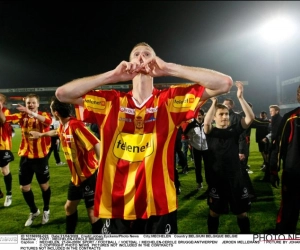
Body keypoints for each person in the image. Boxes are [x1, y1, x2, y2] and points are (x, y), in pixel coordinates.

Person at [56, 42, 233, 234]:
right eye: (136, 55)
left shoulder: (171, 100)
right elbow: (63, 94)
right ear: (128, 64)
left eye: (147, 54)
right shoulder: (110, 102)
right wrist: (113, 76)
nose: (141, 58)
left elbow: (224, 83)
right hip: (116, 205)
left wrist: (168, 68)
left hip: (159, 203)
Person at [30, 97, 103, 234]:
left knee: (92, 211)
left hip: (88, 175)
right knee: (69, 207)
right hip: (76, 178)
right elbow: (55, 132)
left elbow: (96, 143)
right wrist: (41, 134)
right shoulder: (64, 126)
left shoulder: (76, 125)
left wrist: (102, 170)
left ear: (56, 112)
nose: (51, 112)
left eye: (51, 110)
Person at [204, 81, 254, 234]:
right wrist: (214, 103)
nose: (225, 116)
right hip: (217, 179)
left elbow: (250, 118)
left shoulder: (234, 131)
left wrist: (240, 97)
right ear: (214, 117)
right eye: (221, 114)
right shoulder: (211, 132)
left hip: (235, 179)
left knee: (242, 213)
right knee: (214, 212)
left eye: (226, 114)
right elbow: (206, 123)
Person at [6, 93, 52, 226]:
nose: (30, 105)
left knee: (44, 186)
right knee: (24, 187)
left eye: (33, 103)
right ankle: (34, 211)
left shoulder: (44, 115)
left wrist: (31, 113)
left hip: (40, 158)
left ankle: (46, 209)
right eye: (28, 103)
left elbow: (48, 122)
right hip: (25, 157)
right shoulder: (22, 116)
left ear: (38, 104)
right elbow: (5, 118)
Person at [274, 84, 300, 234]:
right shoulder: (290, 117)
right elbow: (278, 145)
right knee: (289, 209)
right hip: (293, 174)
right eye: (298, 92)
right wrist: (273, 169)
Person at [184, 108, 210, 191]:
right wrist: (190, 143)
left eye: (200, 115)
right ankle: (199, 183)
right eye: (197, 115)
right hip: (196, 149)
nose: (198, 117)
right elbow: (185, 135)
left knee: (208, 167)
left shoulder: (207, 123)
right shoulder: (191, 125)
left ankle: (210, 183)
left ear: (203, 115)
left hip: (207, 149)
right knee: (197, 167)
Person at [0, 93, 14, 207]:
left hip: (3, 145)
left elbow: (2, 120)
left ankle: (9, 195)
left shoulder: (5, 111)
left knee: (5, 171)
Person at [262, 105, 282, 183]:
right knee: (269, 160)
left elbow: (277, 132)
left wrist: (271, 139)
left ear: (277, 111)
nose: (270, 112)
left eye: (272, 111)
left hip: (276, 144)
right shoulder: (274, 119)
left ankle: (273, 178)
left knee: (273, 161)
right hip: (272, 142)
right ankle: (268, 178)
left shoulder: (279, 119)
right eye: (270, 111)